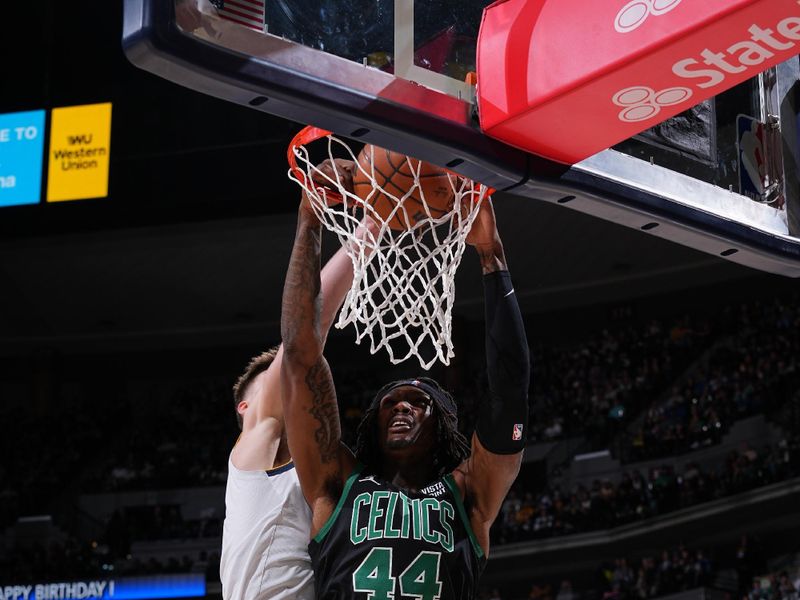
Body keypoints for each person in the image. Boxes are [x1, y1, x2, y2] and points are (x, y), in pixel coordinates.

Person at [281, 173, 530, 599]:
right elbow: (300, 353)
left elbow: (509, 390)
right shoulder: (337, 483)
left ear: (442, 424)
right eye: (390, 402)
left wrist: (492, 255)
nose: (401, 407)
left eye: (419, 402)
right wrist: (309, 216)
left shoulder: (467, 494)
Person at [219, 159, 370, 600]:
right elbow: (302, 338)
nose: (283, 388)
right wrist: (370, 228)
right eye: (270, 384)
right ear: (245, 407)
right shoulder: (250, 449)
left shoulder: (320, 468)